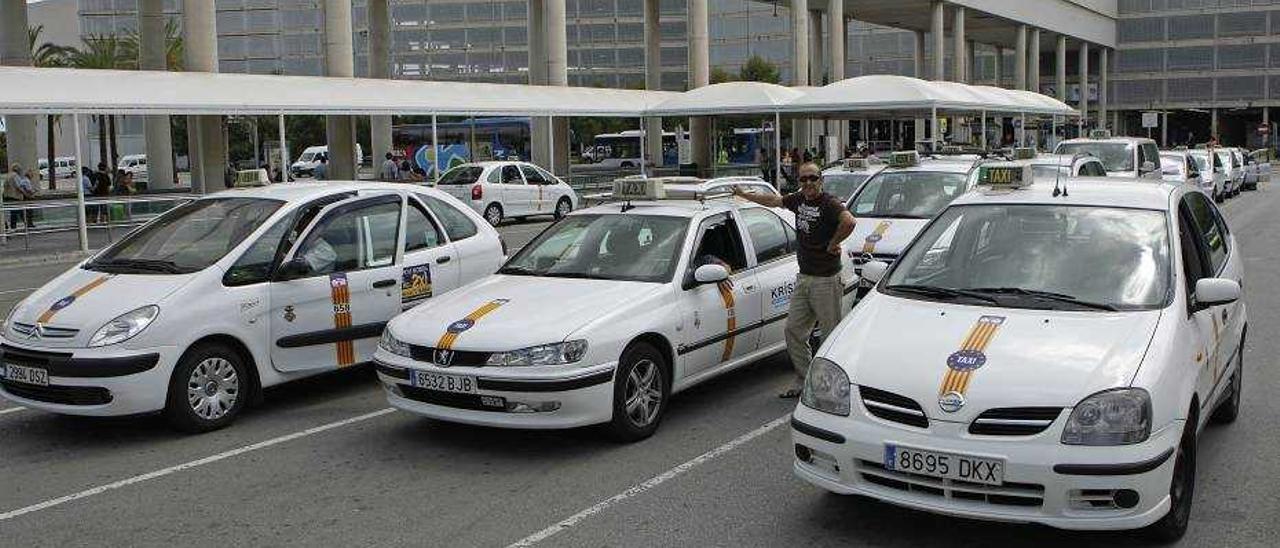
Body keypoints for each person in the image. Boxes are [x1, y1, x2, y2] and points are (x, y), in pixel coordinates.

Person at [733, 162, 855, 398]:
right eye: (803, 179)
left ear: (821, 180)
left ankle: (831, 389)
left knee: (830, 336)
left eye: (813, 178)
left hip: (825, 280)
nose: (808, 183)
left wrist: (832, 243)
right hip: (804, 278)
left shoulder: (828, 203)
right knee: (794, 331)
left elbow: (849, 221)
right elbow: (773, 201)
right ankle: (805, 379)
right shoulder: (799, 200)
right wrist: (743, 194)